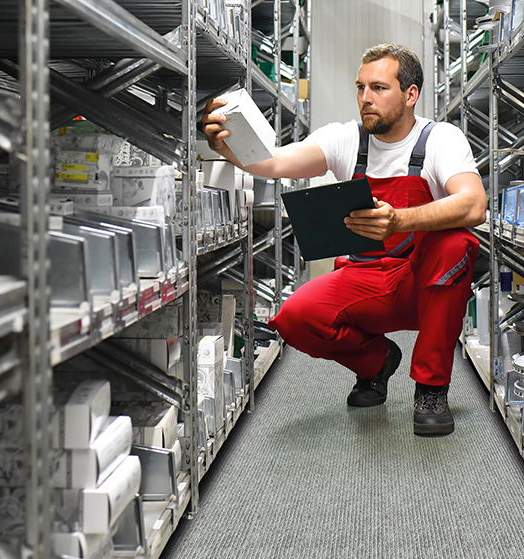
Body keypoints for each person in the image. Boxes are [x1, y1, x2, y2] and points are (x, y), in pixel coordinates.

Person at [202, 43, 487, 436]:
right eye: (360, 87)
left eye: (379, 88)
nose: (365, 98)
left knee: (455, 245)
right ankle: (376, 363)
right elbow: (275, 161)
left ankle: (431, 387)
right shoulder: (345, 139)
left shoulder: (440, 139)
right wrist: (229, 147)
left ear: (410, 94)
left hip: (422, 282)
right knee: (295, 318)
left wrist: (400, 220)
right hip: (366, 278)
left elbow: (474, 204)